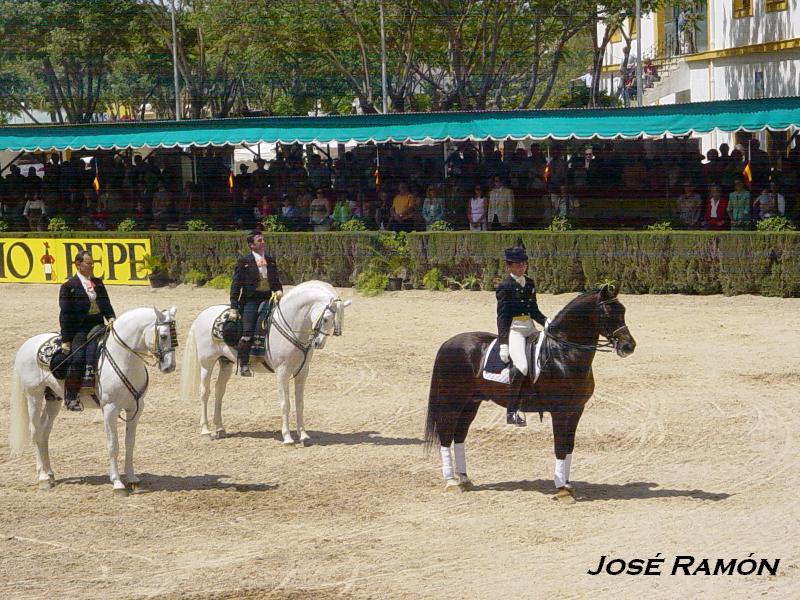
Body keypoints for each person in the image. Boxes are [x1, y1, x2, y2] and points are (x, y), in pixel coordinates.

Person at [496, 245, 548, 427]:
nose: (521, 268)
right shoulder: (504, 287)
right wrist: (503, 343)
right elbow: (502, 317)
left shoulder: (530, 283)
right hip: (515, 329)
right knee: (523, 366)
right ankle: (512, 411)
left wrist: (546, 322)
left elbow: (533, 310)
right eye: (517, 265)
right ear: (509, 266)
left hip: (530, 327)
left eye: (523, 264)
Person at [58, 251, 116, 411]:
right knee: (77, 358)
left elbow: (106, 303)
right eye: (88, 263)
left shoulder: (98, 282)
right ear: (78, 264)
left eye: (92, 263)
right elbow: (65, 314)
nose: (91, 266)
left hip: (98, 324)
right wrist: (65, 339)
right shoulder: (68, 287)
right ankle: (71, 396)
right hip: (80, 329)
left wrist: (111, 317)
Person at [229, 231, 283, 377]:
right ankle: (244, 364)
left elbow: (276, 281)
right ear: (251, 245)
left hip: (268, 298)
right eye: (259, 240)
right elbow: (236, 285)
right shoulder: (244, 261)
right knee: (247, 331)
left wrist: (278, 291)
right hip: (250, 301)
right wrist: (234, 306)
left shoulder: (270, 260)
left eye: (263, 240)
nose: (263, 242)